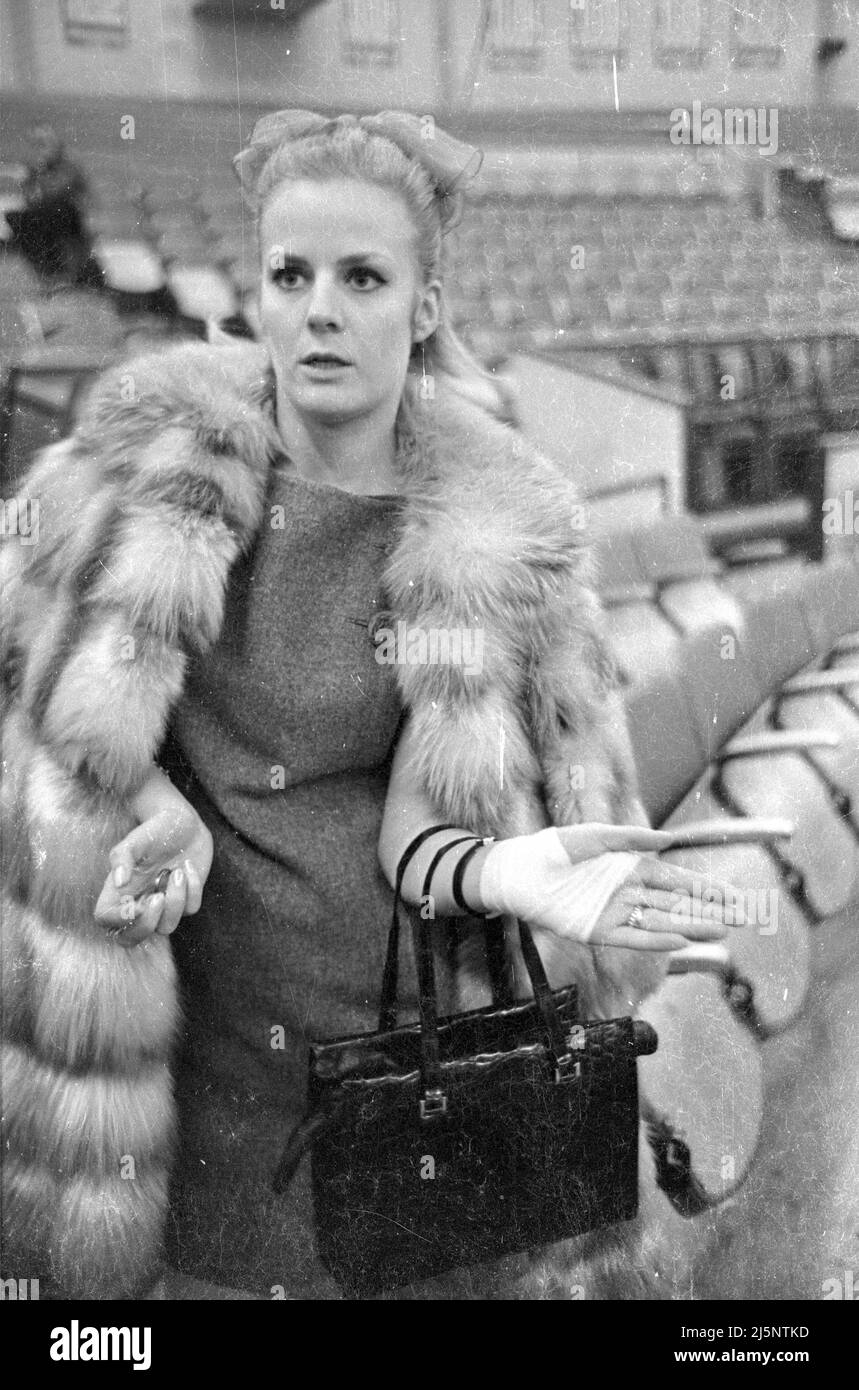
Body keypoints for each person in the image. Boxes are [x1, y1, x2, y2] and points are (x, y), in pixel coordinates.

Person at [0, 110, 738, 1301]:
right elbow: (37, 684)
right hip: (199, 1055)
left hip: (405, 1055)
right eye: (290, 275)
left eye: (361, 277)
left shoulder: (485, 540)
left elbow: (420, 827)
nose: (319, 309)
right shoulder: (146, 475)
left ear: (424, 308)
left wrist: (512, 873)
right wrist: (154, 804)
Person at [7, 125, 101, 286]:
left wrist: (29, 179)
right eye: (35, 145)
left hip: (72, 219)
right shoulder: (42, 168)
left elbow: (54, 193)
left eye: (43, 143)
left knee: (26, 219)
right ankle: (48, 273)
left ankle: (56, 274)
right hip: (55, 218)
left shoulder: (68, 165)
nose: (39, 150)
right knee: (16, 219)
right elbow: (34, 201)